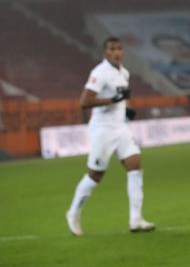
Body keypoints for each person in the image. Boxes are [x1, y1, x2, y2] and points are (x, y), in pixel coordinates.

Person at [65, 37, 155, 236]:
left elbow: (125, 96)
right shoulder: (99, 73)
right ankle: (73, 213)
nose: (117, 52)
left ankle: (136, 219)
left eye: (120, 48)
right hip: (102, 129)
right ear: (105, 52)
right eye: (113, 49)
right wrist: (112, 100)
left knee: (135, 166)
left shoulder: (124, 72)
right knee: (95, 175)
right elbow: (85, 101)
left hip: (120, 128)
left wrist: (128, 109)